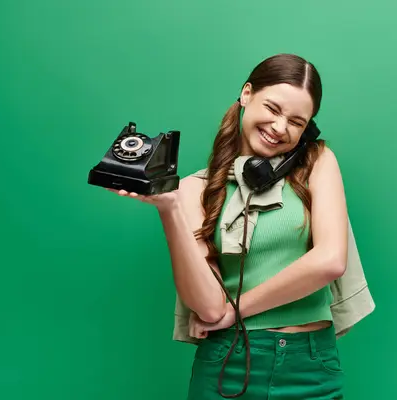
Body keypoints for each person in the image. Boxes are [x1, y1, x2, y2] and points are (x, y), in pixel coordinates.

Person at [110, 53, 374, 399]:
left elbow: (330, 261)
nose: (280, 128)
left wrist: (234, 312)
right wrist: (169, 210)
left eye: (296, 121)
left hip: (310, 367)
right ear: (247, 94)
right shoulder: (195, 189)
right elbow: (207, 307)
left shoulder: (317, 162)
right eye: (274, 109)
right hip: (226, 364)